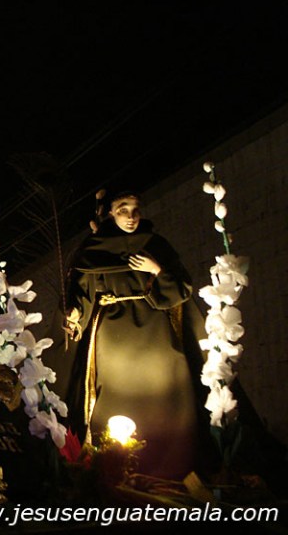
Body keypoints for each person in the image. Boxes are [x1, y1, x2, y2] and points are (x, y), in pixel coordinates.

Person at [62, 189, 213, 480]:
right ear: (110, 213)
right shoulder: (93, 249)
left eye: (135, 209)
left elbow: (182, 288)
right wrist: (74, 313)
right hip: (113, 331)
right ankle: (113, 464)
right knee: (116, 391)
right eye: (123, 210)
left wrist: (156, 270)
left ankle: (172, 462)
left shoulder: (155, 244)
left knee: (167, 386)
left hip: (156, 327)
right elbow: (82, 291)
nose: (131, 217)